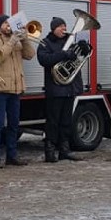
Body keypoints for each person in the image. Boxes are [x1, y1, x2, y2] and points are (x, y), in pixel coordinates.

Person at [0, 13, 36, 168]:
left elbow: (30, 55)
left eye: (10, 24)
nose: (9, 26)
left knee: (14, 123)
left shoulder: (17, 41)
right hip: (0, 88)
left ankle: (11, 155)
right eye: (6, 24)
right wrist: (12, 41)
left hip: (15, 88)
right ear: (0, 26)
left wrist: (25, 38)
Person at [37, 16, 88, 162]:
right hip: (55, 88)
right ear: (54, 28)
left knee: (66, 120)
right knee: (53, 121)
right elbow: (44, 60)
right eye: (61, 27)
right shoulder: (45, 43)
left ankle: (64, 149)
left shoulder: (70, 41)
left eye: (65, 27)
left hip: (69, 87)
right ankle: (50, 150)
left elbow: (79, 59)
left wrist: (83, 48)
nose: (64, 29)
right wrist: (63, 55)